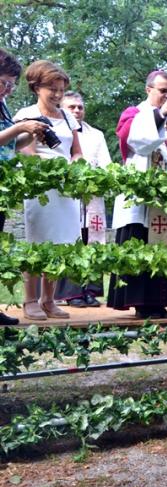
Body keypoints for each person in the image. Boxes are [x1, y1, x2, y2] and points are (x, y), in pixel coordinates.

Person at [108, 69, 167, 319]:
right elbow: (138, 142)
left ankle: (161, 303)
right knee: (142, 247)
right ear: (149, 90)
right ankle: (143, 304)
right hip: (142, 202)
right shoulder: (135, 114)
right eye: (163, 91)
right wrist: (161, 114)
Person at [14, 60, 83, 321]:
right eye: (52, 89)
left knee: (60, 244)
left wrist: (75, 165)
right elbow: (27, 153)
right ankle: (30, 299)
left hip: (66, 188)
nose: (57, 94)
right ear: (36, 87)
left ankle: (48, 299)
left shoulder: (66, 116)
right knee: (38, 241)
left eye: (61, 90)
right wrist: (52, 170)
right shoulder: (26, 114)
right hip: (41, 187)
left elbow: (76, 151)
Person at [0, 49, 49, 325]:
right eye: (4, 83)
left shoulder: (3, 105)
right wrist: (20, 127)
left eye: (11, 85)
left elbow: (10, 145)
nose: (8, 89)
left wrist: (30, 134)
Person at [54, 91, 112, 308]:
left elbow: (106, 163)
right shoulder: (56, 131)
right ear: (62, 108)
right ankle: (72, 292)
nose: (77, 110)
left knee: (92, 240)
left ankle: (90, 290)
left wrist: (99, 177)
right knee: (72, 240)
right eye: (71, 107)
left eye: (80, 107)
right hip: (67, 194)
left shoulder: (96, 134)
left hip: (92, 194)